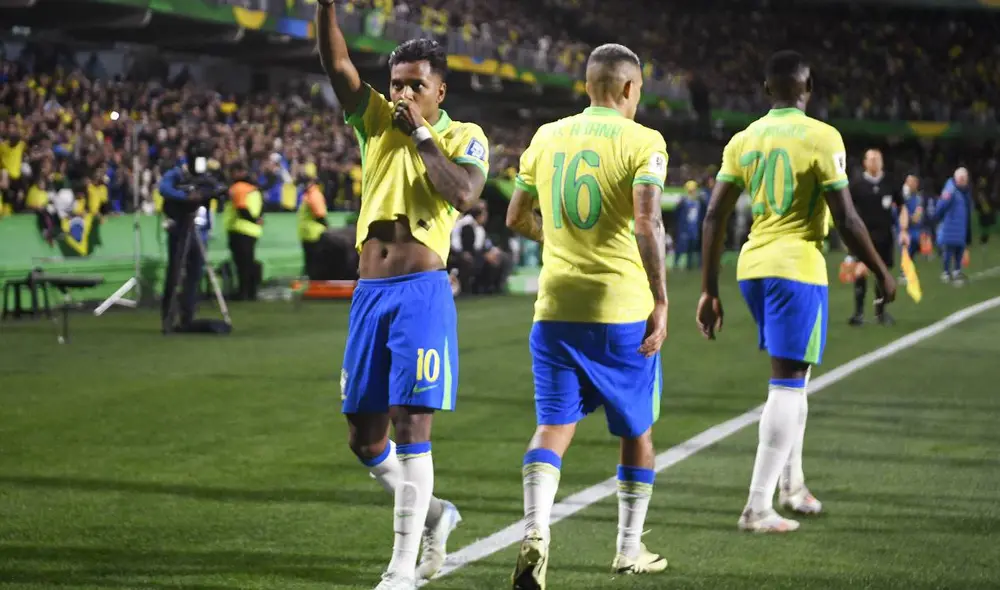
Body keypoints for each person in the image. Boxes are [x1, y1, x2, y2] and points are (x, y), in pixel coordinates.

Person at [316, 2, 490, 588]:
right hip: (370, 293)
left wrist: (419, 130)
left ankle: (400, 570)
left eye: (416, 85)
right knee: (364, 437)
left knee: (413, 427)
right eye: (396, 85)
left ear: (440, 90)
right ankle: (438, 515)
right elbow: (337, 61)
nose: (403, 95)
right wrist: (325, 7)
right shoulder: (372, 123)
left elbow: (462, 194)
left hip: (421, 292)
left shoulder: (464, 137)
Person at [698, 50, 896, 534]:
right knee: (787, 384)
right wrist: (882, 271)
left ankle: (793, 485)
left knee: (796, 378)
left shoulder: (744, 139)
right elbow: (847, 219)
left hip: (752, 267)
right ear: (808, 90)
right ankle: (757, 506)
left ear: (768, 90)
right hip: (796, 268)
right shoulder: (821, 137)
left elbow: (714, 216)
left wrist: (708, 290)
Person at [505, 43, 670, 589]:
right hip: (620, 308)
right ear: (628, 89)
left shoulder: (547, 136)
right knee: (637, 428)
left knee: (553, 427)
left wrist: (556, 240)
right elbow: (646, 223)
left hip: (554, 308)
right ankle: (628, 548)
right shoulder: (644, 140)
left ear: (587, 84)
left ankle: (534, 533)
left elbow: (515, 216)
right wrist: (662, 300)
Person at [847, 149, 908, 326]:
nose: (875, 162)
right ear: (865, 162)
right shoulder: (857, 184)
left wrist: (903, 230)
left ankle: (880, 313)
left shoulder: (891, 181)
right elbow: (847, 209)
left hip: (885, 237)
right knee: (860, 271)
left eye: (878, 159)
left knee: (882, 274)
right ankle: (858, 314)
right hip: (862, 236)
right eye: (872, 159)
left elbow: (902, 206)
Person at [449, 200, 512, 294]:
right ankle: (476, 289)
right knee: (477, 261)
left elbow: (485, 245)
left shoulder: (479, 228)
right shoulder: (467, 225)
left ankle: (495, 287)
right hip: (459, 254)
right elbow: (467, 248)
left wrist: (492, 252)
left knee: (502, 258)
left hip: (474, 254)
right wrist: (485, 255)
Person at [223, 162, 264, 301]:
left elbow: (241, 208)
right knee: (249, 262)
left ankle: (243, 292)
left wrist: (252, 219)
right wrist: (257, 220)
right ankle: (251, 292)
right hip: (253, 231)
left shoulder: (238, 188)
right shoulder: (255, 189)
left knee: (242, 264)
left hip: (240, 229)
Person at [934, 167, 973, 284]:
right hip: (950, 227)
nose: (963, 180)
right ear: (956, 178)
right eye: (961, 178)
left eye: (965, 178)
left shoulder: (965, 192)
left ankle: (957, 271)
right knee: (948, 251)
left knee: (959, 250)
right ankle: (946, 272)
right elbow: (940, 207)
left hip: (961, 227)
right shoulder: (950, 191)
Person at [297, 174, 329, 279]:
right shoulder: (309, 194)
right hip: (309, 233)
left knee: (314, 263)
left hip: (314, 234)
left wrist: (327, 229)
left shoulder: (314, 195)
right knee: (311, 262)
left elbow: (320, 215)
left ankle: (315, 284)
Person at [674, 180, 703, 270]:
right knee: (680, 246)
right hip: (684, 228)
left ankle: (689, 265)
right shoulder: (683, 201)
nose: (692, 192)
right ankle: (675, 264)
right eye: (691, 190)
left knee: (692, 247)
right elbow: (677, 214)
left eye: (694, 190)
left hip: (693, 228)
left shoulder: (698, 202)